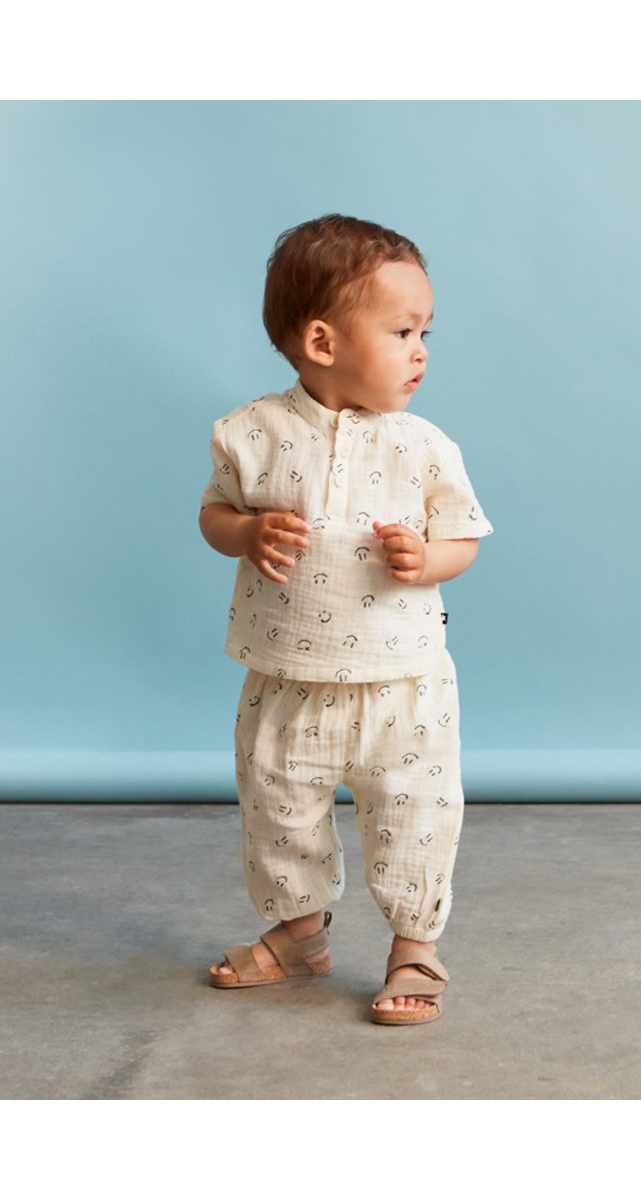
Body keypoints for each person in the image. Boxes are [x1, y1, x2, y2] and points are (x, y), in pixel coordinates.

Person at [199, 214, 492, 1025]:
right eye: (402, 331)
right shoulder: (250, 433)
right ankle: (298, 935)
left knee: (414, 816)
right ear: (322, 342)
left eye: (426, 330)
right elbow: (214, 515)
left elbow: (463, 535)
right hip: (287, 678)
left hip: (402, 684)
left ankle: (415, 946)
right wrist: (247, 533)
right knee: (277, 809)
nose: (422, 350)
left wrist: (427, 560)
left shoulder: (423, 446)